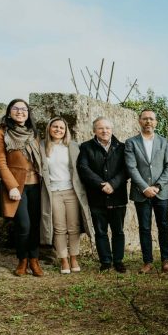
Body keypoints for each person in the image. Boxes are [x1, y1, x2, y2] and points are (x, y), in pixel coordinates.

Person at [39, 117, 94, 274]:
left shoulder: (72, 146)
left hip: (72, 191)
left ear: (66, 130)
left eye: (61, 128)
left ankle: (73, 257)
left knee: (74, 227)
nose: (58, 130)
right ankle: (63, 259)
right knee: (59, 228)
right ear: (49, 128)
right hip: (53, 193)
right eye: (55, 126)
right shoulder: (42, 146)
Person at [0, 99, 43, 277]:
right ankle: (22, 260)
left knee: (36, 225)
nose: (20, 112)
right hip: (18, 187)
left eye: (24, 109)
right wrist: (11, 186)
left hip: (37, 186)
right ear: (9, 112)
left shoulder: (34, 134)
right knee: (24, 225)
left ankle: (34, 259)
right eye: (16, 109)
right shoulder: (1, 133)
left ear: (28, 113)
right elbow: (1, 162)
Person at [126, 109, 168, 274]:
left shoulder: (164, 142)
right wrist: (144, 187)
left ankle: (165, 260)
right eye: (145, 119)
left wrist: (157, 185)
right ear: (139, 121)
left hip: (161, 192)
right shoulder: (131, 143)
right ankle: (147, 261)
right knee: (144, 228)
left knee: (163, 226)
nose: (148, 122)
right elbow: (131, 167)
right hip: (141, 192)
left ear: (156, 122)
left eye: (151, 119)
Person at [77, 118, 129, 273]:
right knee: (100, 231)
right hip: (97, 197)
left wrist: (112, 184)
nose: (104, 131)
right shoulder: (86, 147)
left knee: (118, 231)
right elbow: (83, 168)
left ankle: (118, 260)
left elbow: (126, 169)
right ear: (94, 130)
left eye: (107, 128)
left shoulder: (122, 147)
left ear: (112, 129)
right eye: (100, 128)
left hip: (117, 196)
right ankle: (105, 261)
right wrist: (101, 184)